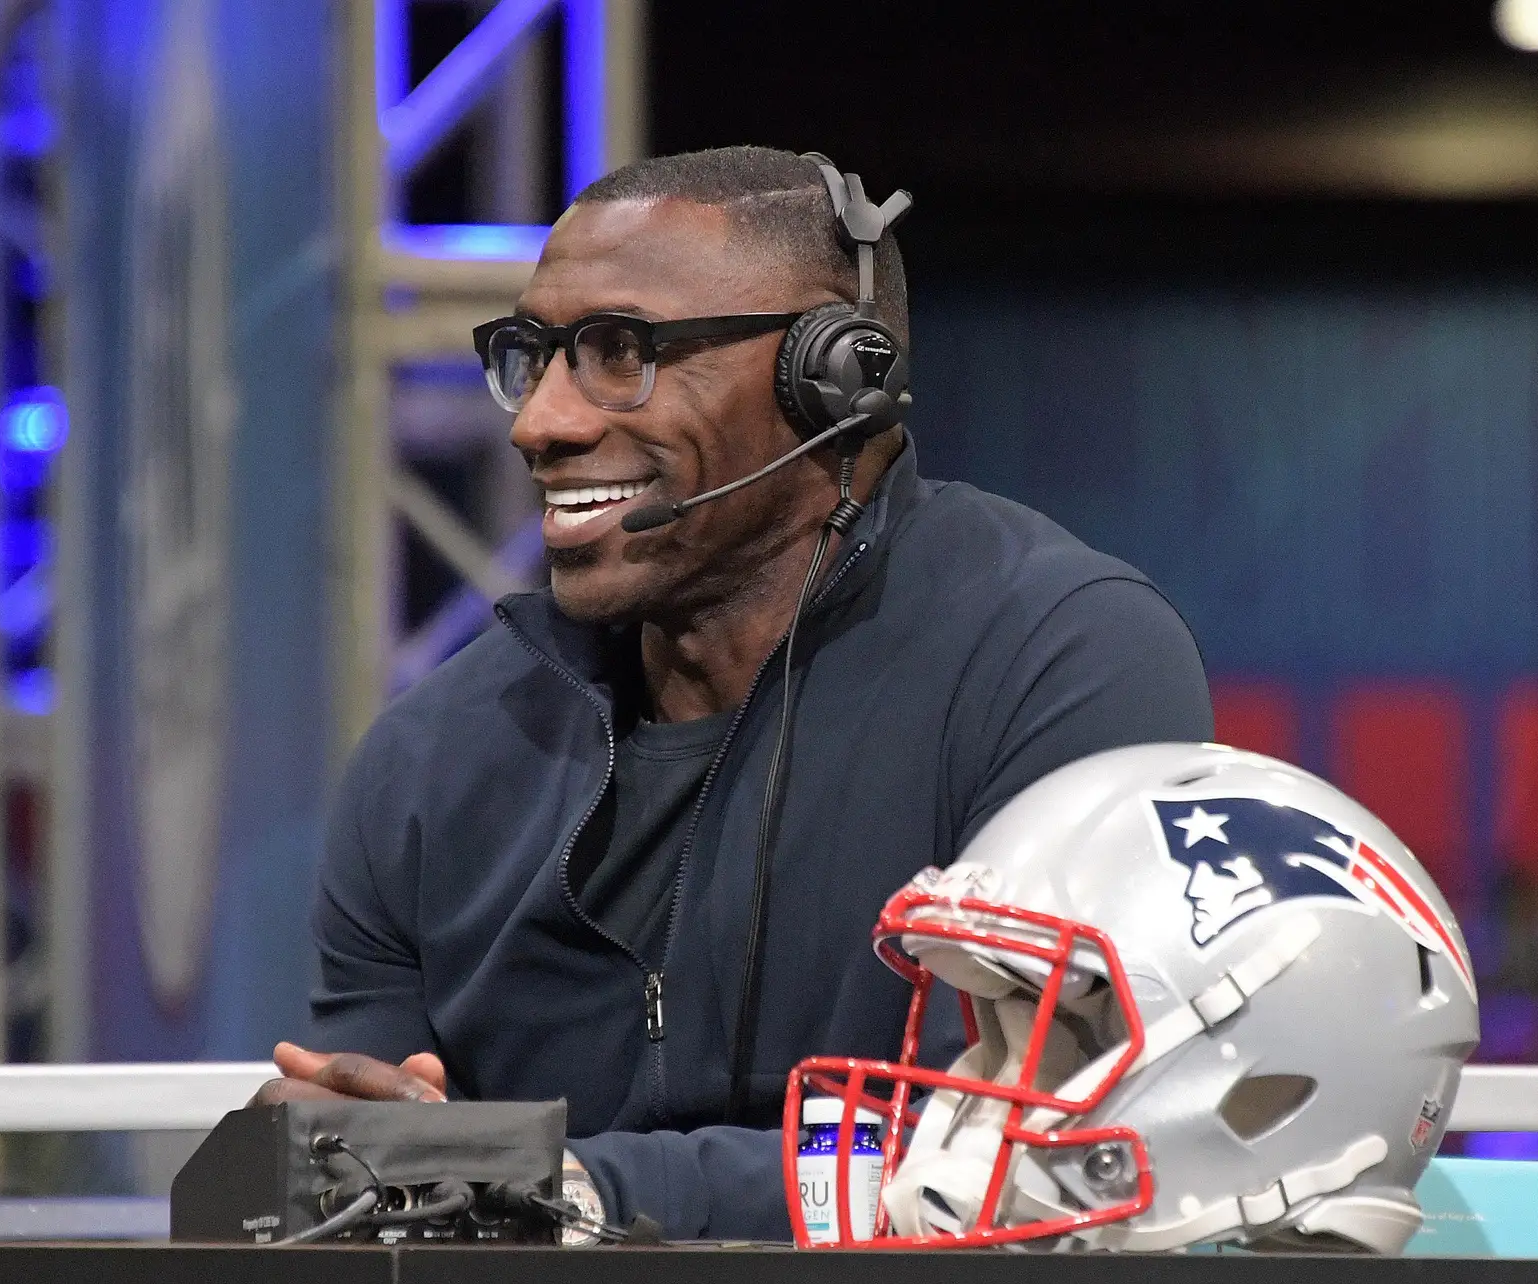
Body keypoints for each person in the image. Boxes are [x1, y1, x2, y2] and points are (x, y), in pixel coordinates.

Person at [254, 145, 1213, 1241]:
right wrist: (322, 1156)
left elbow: (1040, 1149)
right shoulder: (430, 762)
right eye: (534, 356)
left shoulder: (1058, 657)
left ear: (834, 378)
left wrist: (580, 1187)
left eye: (621, 352)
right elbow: (381, 1186)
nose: (540, 424)